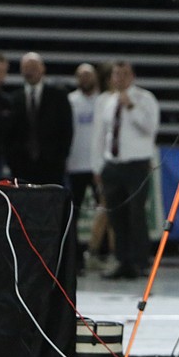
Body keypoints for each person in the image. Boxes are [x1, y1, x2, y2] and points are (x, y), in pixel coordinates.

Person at [92, 61, 159, 280]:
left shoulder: (144, 98)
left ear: (132, 76)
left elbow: (150, 128)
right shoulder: (106, 101)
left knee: (136, 214)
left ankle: (139, 262)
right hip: (113, 165)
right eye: (116, 74)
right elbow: (101, 135)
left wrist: (131, 106)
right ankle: (121, 260)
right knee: (115, 216)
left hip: (136, 165)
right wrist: (98, 166)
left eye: (124, 74)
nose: (119, 78)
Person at [7, 52, 74, 186]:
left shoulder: (58, 96)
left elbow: (67, 129)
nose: (30, 71)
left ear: (42, 68)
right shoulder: (13, 98)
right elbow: (9, 133)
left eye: (33, 67)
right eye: (26, 67)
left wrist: (61, 157)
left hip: (52, 164)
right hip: (21, 165)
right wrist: (12, 160)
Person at [67, 63, 103, 272]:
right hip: (76, 164)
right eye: (81, 75)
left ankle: (101, 252)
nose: (85, 79)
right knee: (75, 212)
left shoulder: (104, 100)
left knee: (106, 212)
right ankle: (76, 256)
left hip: (98, 164)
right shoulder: (71, 101)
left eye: (88, 75)